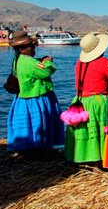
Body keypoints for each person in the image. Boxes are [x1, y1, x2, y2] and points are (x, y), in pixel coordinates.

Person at [6, 31, 64, 159]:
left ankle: (25, 150)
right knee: (36, 124)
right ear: (22, 49)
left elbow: (34, 65)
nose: (34, 48)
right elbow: (45, 72)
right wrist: (48, 62)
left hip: (23, 98)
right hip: (33, 99)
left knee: (27, 125)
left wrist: (40, 61)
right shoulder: (28, 62)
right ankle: (34, 150)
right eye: (31, 46)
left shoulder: (19, 59)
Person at [63, 32, 108, 165]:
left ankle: (80, 158)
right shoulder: (103, 62)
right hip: (96, 101)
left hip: (79, 101)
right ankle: (97, 162)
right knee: (97, 130)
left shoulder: (80, 63)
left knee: (83, 130)